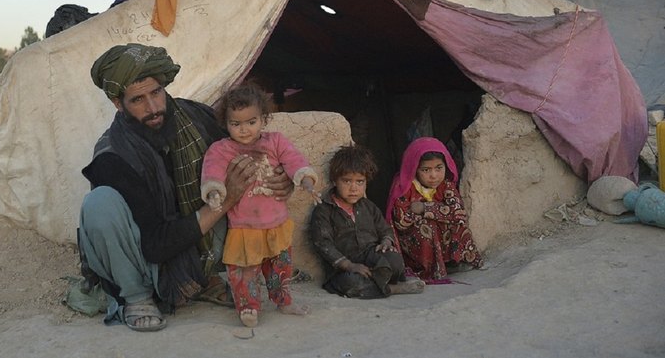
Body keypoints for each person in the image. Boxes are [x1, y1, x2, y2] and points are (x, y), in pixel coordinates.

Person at [77, 44, 294, 332]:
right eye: (138, 100)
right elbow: (155, 246)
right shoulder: (113, 156)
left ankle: (203, 279)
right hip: (145, 260)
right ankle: (137, 298)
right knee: (98, 204)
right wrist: (225, 200)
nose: (153, 108)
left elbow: (253, 147)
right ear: (119, 103)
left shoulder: (196, 117)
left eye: (156, 93)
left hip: (201, 248)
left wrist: (283, 179)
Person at [201, 82, 320, 327]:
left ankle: (284, 301)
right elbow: (211, 171)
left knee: (280, 268)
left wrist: (305, 180)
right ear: (226, 123)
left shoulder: (275, 142)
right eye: (236, 124)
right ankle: (248, 307)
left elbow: (293, 160)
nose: (244, 130)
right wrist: (213, 191)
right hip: (244, 227)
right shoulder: (221, 149)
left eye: (251, 122)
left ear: (263, 119)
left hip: (276, 223)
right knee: (245, 271)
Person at [310, 145, 425, 298]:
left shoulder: (368, 206)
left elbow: (384, 229)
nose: (353, 188)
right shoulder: (324, 210)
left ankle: (380, 283)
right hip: (343, 267)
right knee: (352, 283)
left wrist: (386, 242)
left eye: (360, 182)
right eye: (347, 181)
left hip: (372, 258)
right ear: (334, 180)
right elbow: (323, 244)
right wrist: (350, 265)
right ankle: (392, 289)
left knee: (395, 261)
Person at [385, 137, 484, 282]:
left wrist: (425, 208)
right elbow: (401, 220)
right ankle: (428, 270)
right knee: (426, 226)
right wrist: (438, 213)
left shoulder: (446, 185)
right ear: (414, 168)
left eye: (439, 168)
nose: (434, 175)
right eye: (426, 170)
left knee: (459, 225)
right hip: (413, 241)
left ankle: (457, 261)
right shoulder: (404, 186)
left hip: (439, 234)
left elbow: (458, 212)